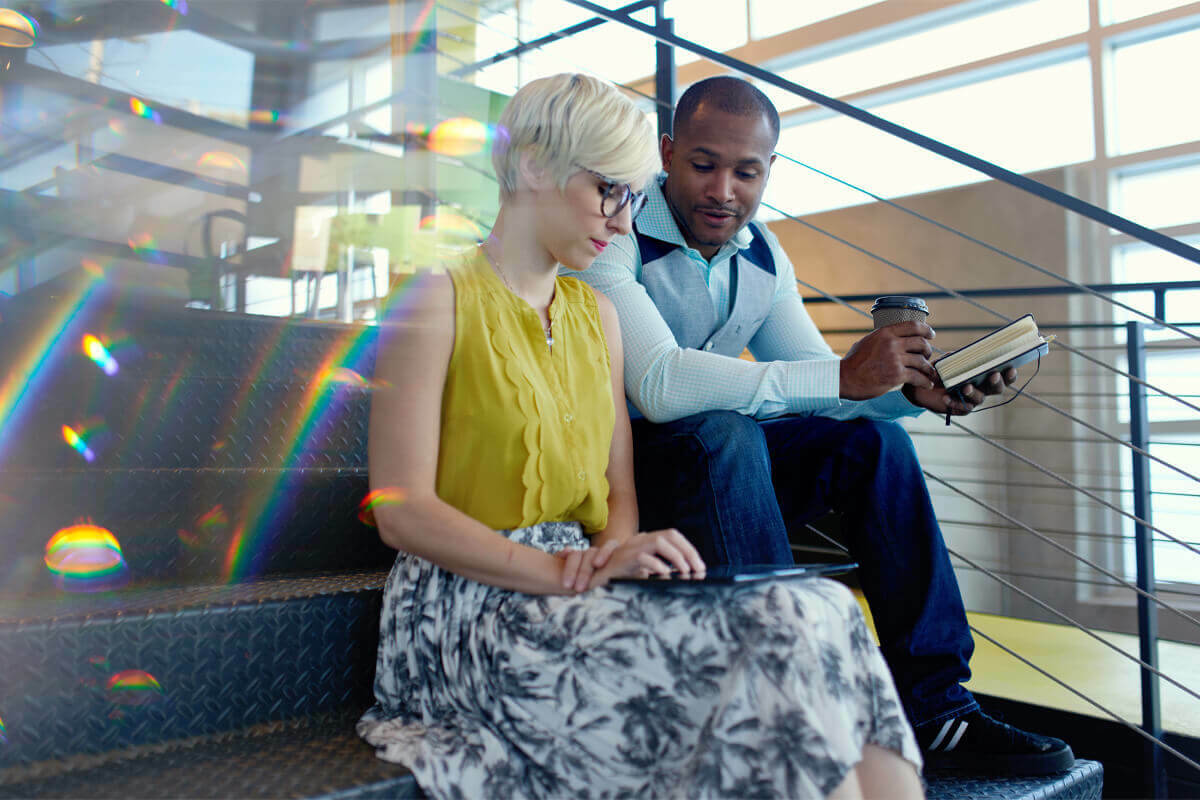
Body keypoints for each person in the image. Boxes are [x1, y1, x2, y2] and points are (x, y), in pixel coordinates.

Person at [358, 73, 925, 800]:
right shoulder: (433, 299)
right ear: (533, 166)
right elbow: (402, 512)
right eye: (609, 192)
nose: (624, 223)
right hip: (470, 605)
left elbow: (617, 494)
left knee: (829, 611)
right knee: (782, 633)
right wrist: (569, 573)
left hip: (583, 581)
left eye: (630, 197)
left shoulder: (598, 317)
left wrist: (612, 556)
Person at [572, 75, 1074, 777]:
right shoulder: (616, 229)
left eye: (747, 172)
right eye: (703, 164)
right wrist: (839, 376)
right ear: (667, 153)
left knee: (875, 443)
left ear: (769, 171)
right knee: (726, 433)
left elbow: (821, 387)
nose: (723, 191)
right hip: (625, 476)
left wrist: (910, 396)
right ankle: (792, 698)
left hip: (725, 474)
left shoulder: (763, 254)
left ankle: (936, 708)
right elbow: (658, 383)